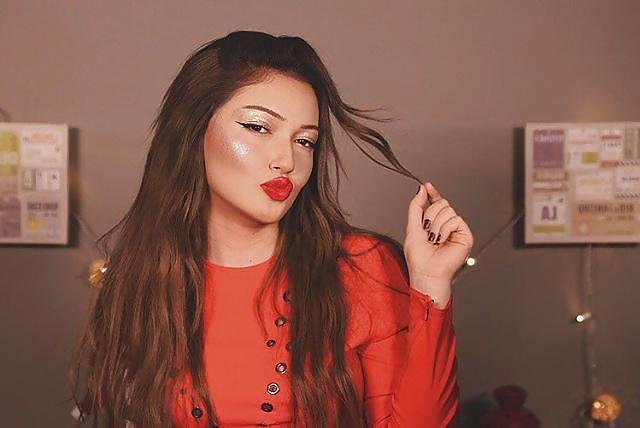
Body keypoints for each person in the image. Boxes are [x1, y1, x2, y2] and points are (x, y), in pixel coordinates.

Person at [70, 30, 474, 427]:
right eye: (258, 127)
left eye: (305, 141)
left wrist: (431, 283)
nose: (286, 160)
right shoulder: (142, 279)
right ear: (193, 132)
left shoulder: (361, 268)